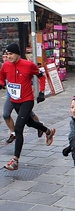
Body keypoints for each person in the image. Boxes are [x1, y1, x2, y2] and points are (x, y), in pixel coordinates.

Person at [0, 43, 56, 171]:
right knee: (30, 123)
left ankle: (15, 161)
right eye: (7, 54)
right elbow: (2, 77)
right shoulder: (6, 65)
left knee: (18, 128)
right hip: (15, 100)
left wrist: (41, 92)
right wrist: (1, 84)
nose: (9, 57)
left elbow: (41, 76)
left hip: (27, 100)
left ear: (18, 54)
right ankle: (48, 131)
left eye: (11, 54)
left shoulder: (28, 65)